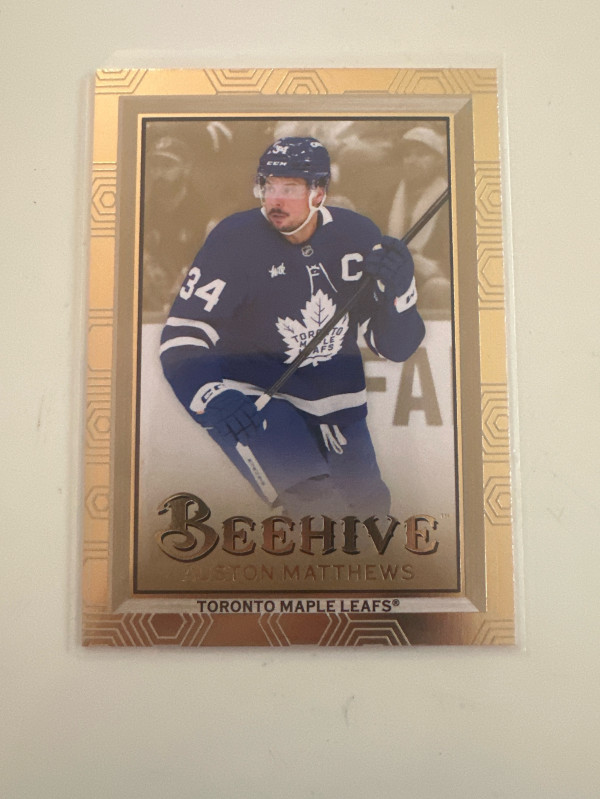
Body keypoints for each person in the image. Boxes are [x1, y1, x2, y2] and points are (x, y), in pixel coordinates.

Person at [159, 137, 425, 519]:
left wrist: (401, 295)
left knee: (371, 513)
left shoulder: (357, 236)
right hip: (258, 399)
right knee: (319, 510)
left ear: (319, 192)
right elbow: (182, 338)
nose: (274, 199)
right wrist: (212, 394)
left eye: (289, 188)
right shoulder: (234, 240)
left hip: (338, 404)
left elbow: (394, 347)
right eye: (268, 186)